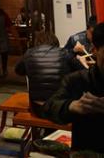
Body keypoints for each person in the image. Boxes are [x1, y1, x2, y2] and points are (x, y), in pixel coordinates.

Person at [44, 23, 104, 153]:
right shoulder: (77, 80)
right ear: (94, 50)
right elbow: (49, 107)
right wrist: (71, 106)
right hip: (85, 152)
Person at [15, 32, 82, 118]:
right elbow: (82, 72)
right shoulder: (64, 53)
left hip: (37, 108)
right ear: (55, 41)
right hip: (60, 109)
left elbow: (18, 71)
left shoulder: (29, 53)